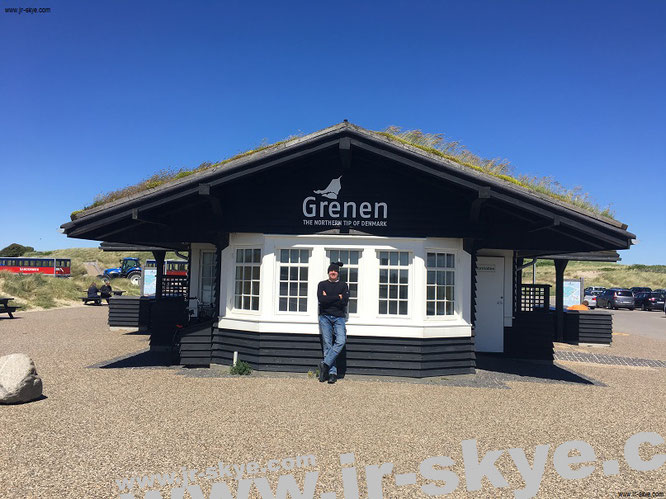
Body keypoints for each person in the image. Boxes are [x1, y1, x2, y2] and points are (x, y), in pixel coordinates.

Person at [317, 262, 350, 384]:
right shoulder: (322, 284)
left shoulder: (343, 285)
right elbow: (321, 300)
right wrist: (338, 297)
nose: (333, 272)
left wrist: (329, 297)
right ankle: (332, 373)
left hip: (339, 317)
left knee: (341, 340)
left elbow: (344, 302)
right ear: (328, 272)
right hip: (324, 317)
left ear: (338, 273)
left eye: (335, 271)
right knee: (327, 344)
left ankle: (324, 365)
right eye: (331, 271)